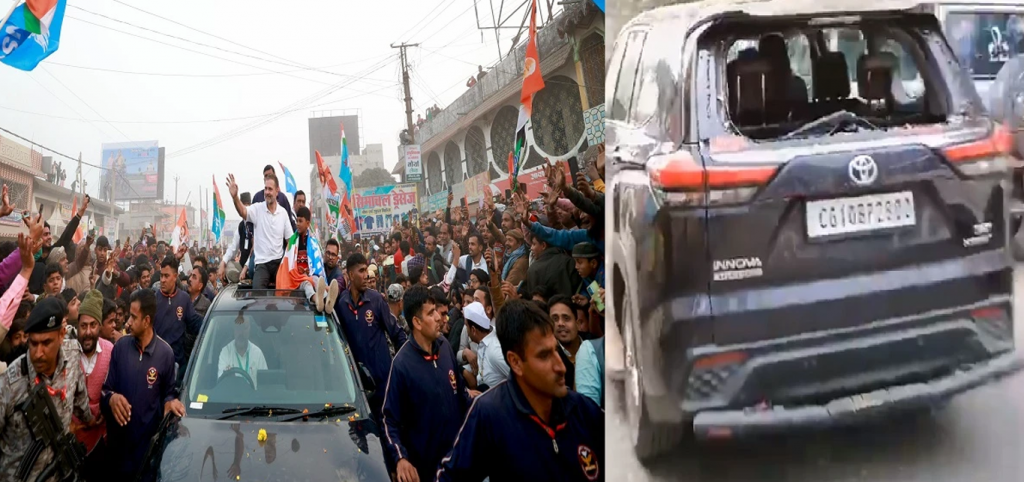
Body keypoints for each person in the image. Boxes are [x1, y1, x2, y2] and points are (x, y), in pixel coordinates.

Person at [436, 300, 604, 481]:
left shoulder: (584, 411)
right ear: (515, 362)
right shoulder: (490, 414)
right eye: (544, 356)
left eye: (556, 351)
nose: (560, 366)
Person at [382, 286, 476, 482]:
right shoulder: (401, 365)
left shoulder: (445, 347)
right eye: (431, 313)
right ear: (416, 322)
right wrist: (400, 459)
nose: (439, 318)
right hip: (426, 471)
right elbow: (389, 420)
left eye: (437, 311)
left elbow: (461, 396)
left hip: (457, 464)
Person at [0, 297, 94, 481]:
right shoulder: (11, 382)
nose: (38, 353)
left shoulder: (73, 355)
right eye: (33, 343)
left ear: (61, 334)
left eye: (46, 343)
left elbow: (81, 402)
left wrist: (90, 419)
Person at [101, 289, 184, 482]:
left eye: (133, 317)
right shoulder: (120, 348)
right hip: (117, 458)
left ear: (147, 321)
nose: (127, 322)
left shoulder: (166, 355)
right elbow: (104, 392)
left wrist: (170, 402)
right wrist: (111, 399)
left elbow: (168, 396)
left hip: (147, 461)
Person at [335, 253, 407, 423]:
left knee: (387, 431)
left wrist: (400, 369)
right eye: (361, 271)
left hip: (382, 384)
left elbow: (398, 334)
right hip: (357, 388)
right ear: (351, 275)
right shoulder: (341, 304)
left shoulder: (376, 300)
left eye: (366, 270)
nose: (366, 275)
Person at [226, 173, 294, 289]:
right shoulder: (257, 209)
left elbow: (291, 241)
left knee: (285, 294)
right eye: (265, 189)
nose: (267, 192)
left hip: (279, 263)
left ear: (277, 191)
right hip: (262, 265)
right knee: (257, 296)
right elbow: (243, 211)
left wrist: (291, 265)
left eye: (270, 189)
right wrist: (235, 197)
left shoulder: (283, 213)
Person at [73, 290, 113, 477]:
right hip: (71, 442)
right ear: (77, 327)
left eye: (93, 325)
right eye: (83, 326)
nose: (88, 332)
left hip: (101, 442)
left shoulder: (110, 351)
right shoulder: (67, 353)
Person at [154, 255, 204, 382]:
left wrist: (212, 324)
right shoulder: (153, 299)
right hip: (156, 363)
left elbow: (195, 323)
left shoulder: (184, 299)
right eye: (161, 275)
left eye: (167, 276)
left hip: (178, 364)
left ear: (175, 276)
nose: (163, 280)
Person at [463, 301, 509, 391]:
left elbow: (522, 378)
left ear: (473, 330)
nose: (466, 330)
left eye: (466, 326)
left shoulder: (495, 351)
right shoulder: (483, 341)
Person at [217, 314, 268, 389]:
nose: (241, 332)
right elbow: (222, 384)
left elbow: (266, 384)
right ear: (233, 329)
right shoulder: (226, 352)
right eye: (238, 327)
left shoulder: (257, 353)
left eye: (244, 328)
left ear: (250, 329)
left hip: (254, 398)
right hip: (231, 398)